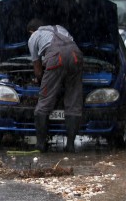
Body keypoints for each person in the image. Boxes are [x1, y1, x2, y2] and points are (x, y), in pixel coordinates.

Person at [27, 18, 83, 153]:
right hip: (76, 55)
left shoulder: (34, 37)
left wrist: (41, 81)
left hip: (56, 58)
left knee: (44, 103)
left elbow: (38, 69)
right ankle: (70, 145)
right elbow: (69, 48)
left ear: (31, 31)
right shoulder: (60, 28)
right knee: (73, 101)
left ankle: (41, 144)